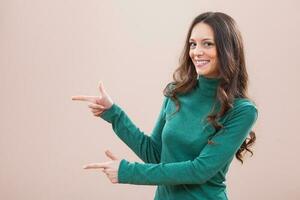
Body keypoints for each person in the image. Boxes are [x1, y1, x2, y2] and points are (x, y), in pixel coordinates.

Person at [72, 11, 258, 200]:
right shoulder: (176, 92)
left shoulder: (242, 111)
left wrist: (128, 171)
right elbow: (155, 155)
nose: (196, 52)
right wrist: (113, 114)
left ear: (228, 50)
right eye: (192, 44)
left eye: (207, 44)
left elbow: (200, 170)